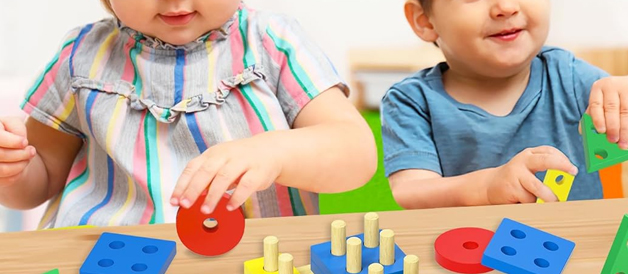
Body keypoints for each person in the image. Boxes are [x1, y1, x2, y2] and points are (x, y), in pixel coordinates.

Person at [0, 0, 377, 228]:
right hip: (105, 263)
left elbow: (356, 153)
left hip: (256, 264)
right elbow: (42, 179)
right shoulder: (82, 55)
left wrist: (273, 152)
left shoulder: (271, 43)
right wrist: (13, 170)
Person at [382, 0, 628, 208]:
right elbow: (411, 191)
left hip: (576, 258)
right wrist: (487, 188)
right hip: (468, 264)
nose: (505, 7)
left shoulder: (570, 77)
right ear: (425, 21)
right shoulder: (411, 102)